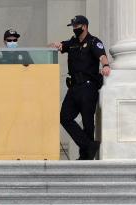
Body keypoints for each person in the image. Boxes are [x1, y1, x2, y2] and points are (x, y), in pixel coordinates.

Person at [49, 15, 110, 160]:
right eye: (73, 26)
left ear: (85, 26)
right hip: (74, 87)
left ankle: (86, 156)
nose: (75, 29)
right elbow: (59, 46)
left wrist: (106, 66)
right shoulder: (72, 43)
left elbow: (102, 56)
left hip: (88, 87)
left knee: (88, 122)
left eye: (77, 26)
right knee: (64, 117)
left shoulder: (94, 42)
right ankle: (89, 146)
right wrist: (55, 45)